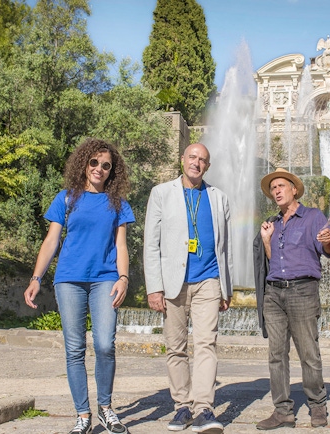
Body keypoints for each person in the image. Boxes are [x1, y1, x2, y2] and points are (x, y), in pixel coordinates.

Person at [24, 138, 134, 434]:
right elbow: (51, 241)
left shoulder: (118, 204)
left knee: (104, 345)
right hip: (69, 279)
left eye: (106, 165)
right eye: (94, 162)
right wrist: (36, 278)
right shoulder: (66, 198)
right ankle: (82, 414)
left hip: (106, 279)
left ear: (113, 171)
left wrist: (123, 278)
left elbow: (121, 245)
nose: (99, 168)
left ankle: (106, 408)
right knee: (74, 349)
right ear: (84, 164)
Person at [144, 143, 232, 434]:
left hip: (208, 280)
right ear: (182, 160)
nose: (196, 163)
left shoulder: (219, 198)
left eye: (202, 160)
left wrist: (226, 286)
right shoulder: (161, 193)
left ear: (208, 166)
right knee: (176, 347)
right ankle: (181, 406)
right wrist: (153, 287)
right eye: (192, 157)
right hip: (173, 281)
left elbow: (225, 247)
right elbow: (151, 244)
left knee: (207, 344)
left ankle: (204, 408)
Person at [255, 168, 330, 430]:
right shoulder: (274, 223)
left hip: (303, 290)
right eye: (273, 188)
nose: (276, 191)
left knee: (308, 352)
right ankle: (282, 412)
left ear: (294, 189)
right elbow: (273, 261)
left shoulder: (313, 216)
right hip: (274, 293)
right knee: (276, 354)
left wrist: (326, 241)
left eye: (281, 186)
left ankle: (317, 406)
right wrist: (267, 240)